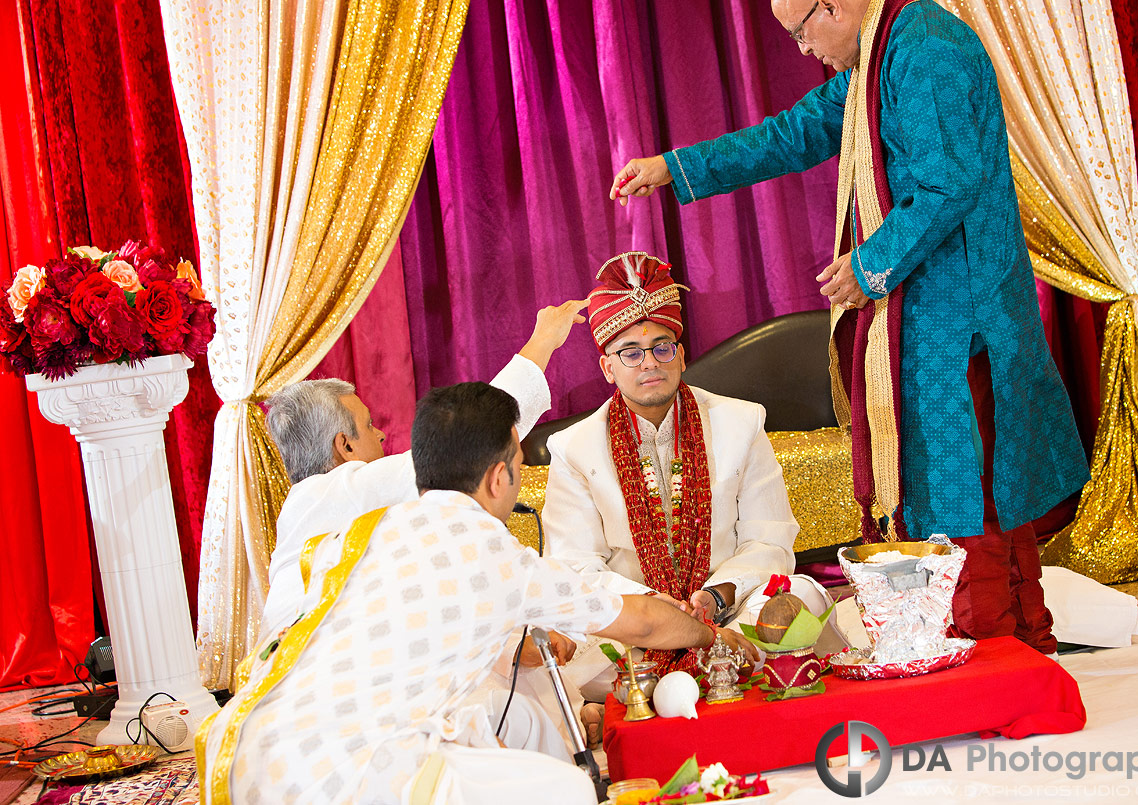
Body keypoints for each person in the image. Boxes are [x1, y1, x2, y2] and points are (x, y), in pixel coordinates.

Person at [607, 0, 1089, 655]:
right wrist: (677, 167)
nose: (806, 53)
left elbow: (950, 185)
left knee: (965, 499)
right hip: (933, 319)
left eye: (803, 35)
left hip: (962, 320)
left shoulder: (923, 48)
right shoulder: (880, 56)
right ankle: (1018, 645)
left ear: (830, 6)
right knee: (969, 495)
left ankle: (999, 657)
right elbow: (794, 132)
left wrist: (870, 266)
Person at [197, 382, 759, 805]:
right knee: (562, 789)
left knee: (489, 730)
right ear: (498, 478)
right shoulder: (493, 552)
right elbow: (639, 622)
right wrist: (711, 633)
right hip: (342, 775)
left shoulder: (367, 531)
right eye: (516, 464)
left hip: (242, 753)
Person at [542, 252, 844, 725]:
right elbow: (575, 567)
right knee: (560, 650)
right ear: (607, 367)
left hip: (731, 611)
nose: (650, 364)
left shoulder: (742, 423)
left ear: (681, 355)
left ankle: (638, 697)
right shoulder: (573, 449)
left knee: (799, 596)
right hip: (635, 627)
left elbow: (771, 540)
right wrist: (658, 612)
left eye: (662, 347)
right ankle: (727, 673)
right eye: (631, 353)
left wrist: (718, 594)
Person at [260, 299, 589, 642]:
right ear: (345, 446)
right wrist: (544, 340)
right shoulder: (342, 489)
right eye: (369, 426)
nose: (381, 434)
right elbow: (475, 433)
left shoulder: (311, 505)